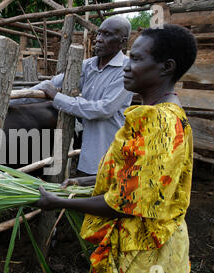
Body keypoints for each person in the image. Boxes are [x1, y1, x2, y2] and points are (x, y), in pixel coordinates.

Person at [35, 24, 198, 273]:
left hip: (137, 256)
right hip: (140, 250)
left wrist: (58, 202)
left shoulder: (159, 123)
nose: (126, 65)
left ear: (166, 67)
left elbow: (123, 205)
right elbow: (139, 179)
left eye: (136, 59)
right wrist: (85, 181)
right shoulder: (162, 114)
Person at [11, 16, 134, 176]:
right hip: (87, 153)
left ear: (123, 42)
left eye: (107, 35)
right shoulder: (87, 66)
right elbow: (50, 85)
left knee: (101, 197)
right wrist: (12, 100)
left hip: (109, 152)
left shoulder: (126, 71)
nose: (98, 39)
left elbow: (104, 109)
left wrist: (57, 98)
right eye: (98, 34)